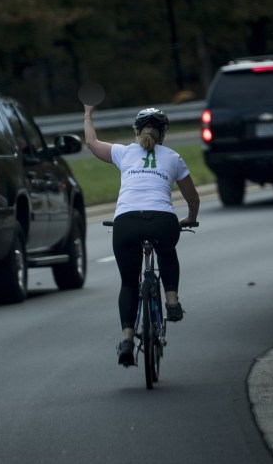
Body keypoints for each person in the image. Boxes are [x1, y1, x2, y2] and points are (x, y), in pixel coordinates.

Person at [83, 104, 200, 367]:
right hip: (162, 221)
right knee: (167, 252)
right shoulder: (173, 157)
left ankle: (126, 340)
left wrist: (88, 112)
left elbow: (91, 143)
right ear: (163, 135)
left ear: (136, 132)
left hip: (126, 222)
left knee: (128, 283)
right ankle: (172, 301)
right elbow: (192, 197)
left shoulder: (123, 153)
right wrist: (190, 217)